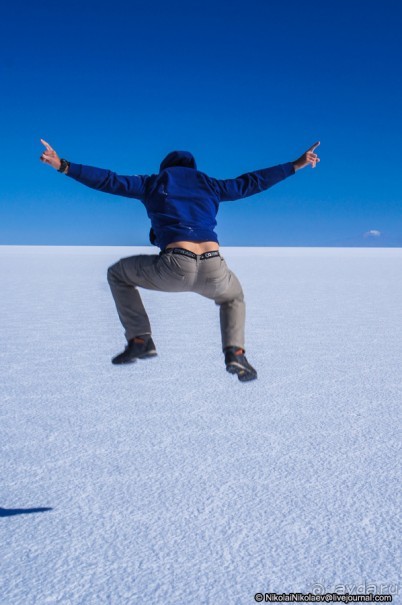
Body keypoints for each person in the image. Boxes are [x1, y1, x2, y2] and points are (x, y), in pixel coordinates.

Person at [40, 139, 320, 382]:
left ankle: (140, 339)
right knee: (232, 295)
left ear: (166, 169)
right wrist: (296, 164)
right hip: (214, 266)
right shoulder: (210, 185)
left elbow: (109, 180)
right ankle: (235, 352)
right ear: (193, 169)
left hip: (173, 266)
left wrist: (63, 165)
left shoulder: (153, 182)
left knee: (118, 273)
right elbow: (251, 182)